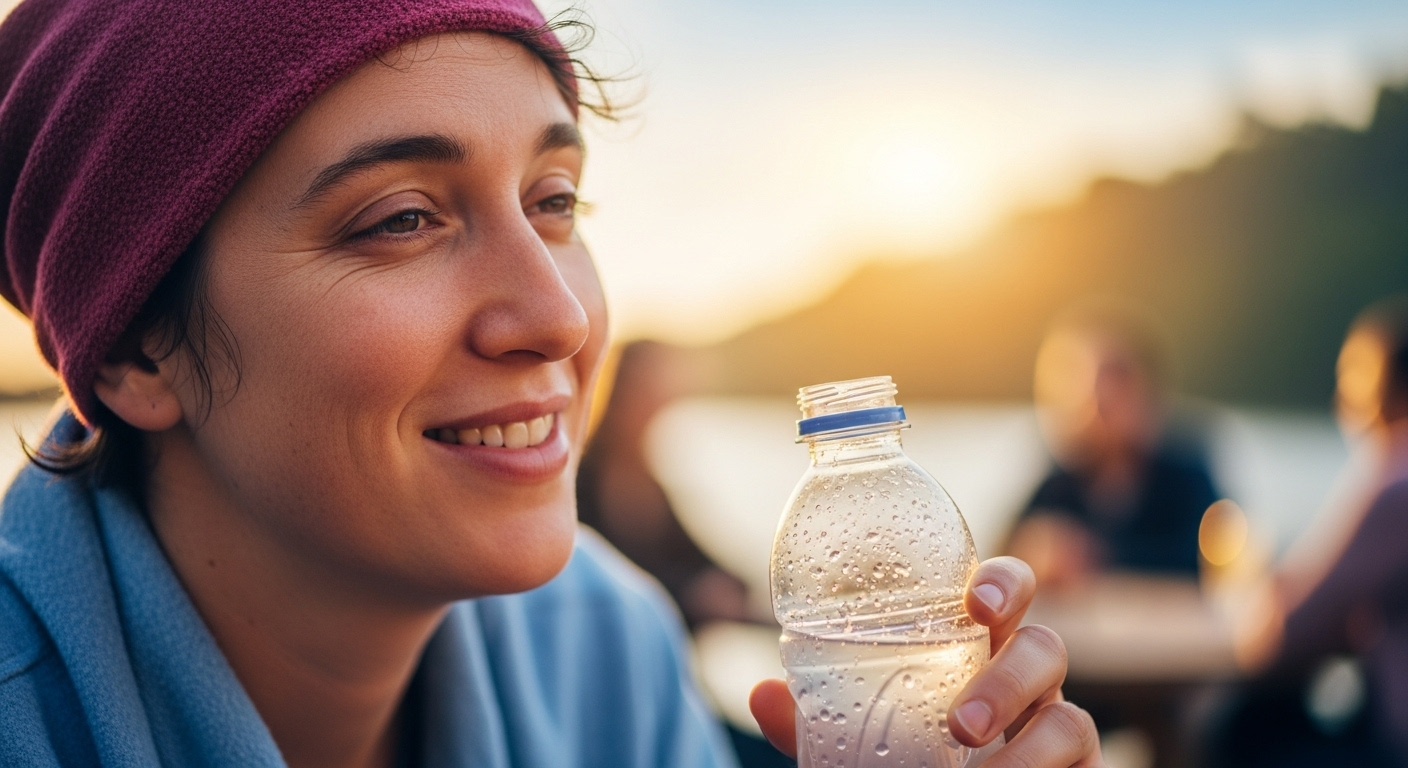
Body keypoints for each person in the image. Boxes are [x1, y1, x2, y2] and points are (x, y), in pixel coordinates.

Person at [0, 0, 1103, 765]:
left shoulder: (605, 647)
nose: (563, 317)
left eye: (555, 200)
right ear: (132, 353)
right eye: (402, 220)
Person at [1216, 296, 1408, 767]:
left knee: (1240, 727)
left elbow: (1284, 636)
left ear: (1383, 385)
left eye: (1351, 373)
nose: (1340, 397)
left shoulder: (1395, 485)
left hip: (1395, 743)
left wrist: (1267, 596)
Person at [1007, 304, 1221, 592]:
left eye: (1119, 378)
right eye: (1093, 383)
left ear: (1149, 389)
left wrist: (1097, 557)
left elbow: (1206, 562)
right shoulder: (1059, 484)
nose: (1104, 397)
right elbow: (1005, 555)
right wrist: (1036, 555)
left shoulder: (1186, 478)